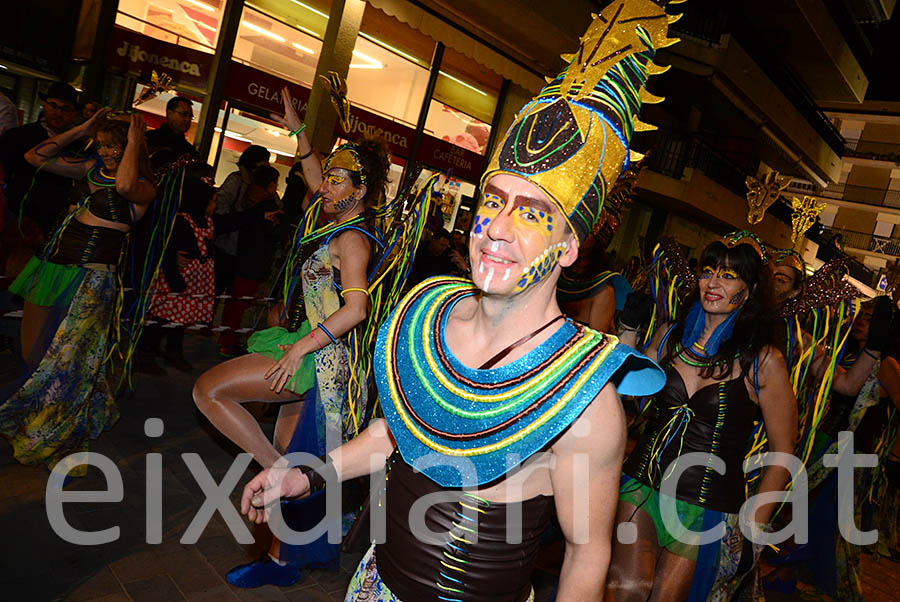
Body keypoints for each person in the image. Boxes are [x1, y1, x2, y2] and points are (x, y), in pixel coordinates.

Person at [239, 4, 675, 599]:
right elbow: (391, 435)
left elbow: (585, 553)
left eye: (534, 213)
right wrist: (302, 472)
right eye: (493, 202)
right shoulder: (423, 318)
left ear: (569, 246)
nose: (497, 228)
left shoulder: (586, 399)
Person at [193, 89, 392, 583]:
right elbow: (315, 175)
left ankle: (283, 479)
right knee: (295, 452)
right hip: (314, 351)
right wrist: (300, 132)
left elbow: (357, 308)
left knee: (208, 391)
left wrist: (300, 345)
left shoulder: (352, 238)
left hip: (319, 358)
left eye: (338, 182)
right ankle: (283, 558)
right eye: (328, 180)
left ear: (360, 190)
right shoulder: (340, 222)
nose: (326, 187)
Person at [607, 233, 799, 601]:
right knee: (627, 590)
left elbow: (783, 451)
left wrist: (752, 529)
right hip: (641, 487)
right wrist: (628, 330)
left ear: (750, 288)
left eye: (728, 276)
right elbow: (626, 390)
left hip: (706, 508)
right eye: (708, 271)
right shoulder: (669, 336)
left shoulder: (763, 361)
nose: (713, 283)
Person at [0, 111, 156, 474]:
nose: (104, 152)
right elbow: (34, 157)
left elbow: (124, 187)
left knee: (68, 365)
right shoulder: (88, 168)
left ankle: (62, 444)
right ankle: (37, 420)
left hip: (91, 279)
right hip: (50, 268)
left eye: (111, 145)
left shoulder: (145, 185)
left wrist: (134, 142)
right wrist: (82, 130)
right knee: (33, 355)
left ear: (129, 145)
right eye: (101, 144)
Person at [216, 164, 284, 356]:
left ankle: (226, 340)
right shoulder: (268, 206)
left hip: (242, 258)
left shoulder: (249, 200)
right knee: (238, 306)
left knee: (234, 305)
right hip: (254, 262)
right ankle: (227, 343)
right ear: (271, 185)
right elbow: (274, 233)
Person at [0, 82, 83, 237]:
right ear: (44, 105)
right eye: (53, 106)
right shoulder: (18, 136)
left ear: (75, 114)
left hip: (56, 220)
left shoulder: (81, 147)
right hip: (16, 213)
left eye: (65, 109)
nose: (58, 113)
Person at [213, 145, 270, 301]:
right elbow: (220, 209)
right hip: (226, 246)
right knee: (217, 292)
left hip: (243, 251)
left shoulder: (260, 184)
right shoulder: (236, 181)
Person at [144, 96, 198, 168]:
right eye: (184, 114)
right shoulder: (149, 139)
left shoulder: (190, 152)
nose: (188, 119)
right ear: (170, 113)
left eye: (190, 116)